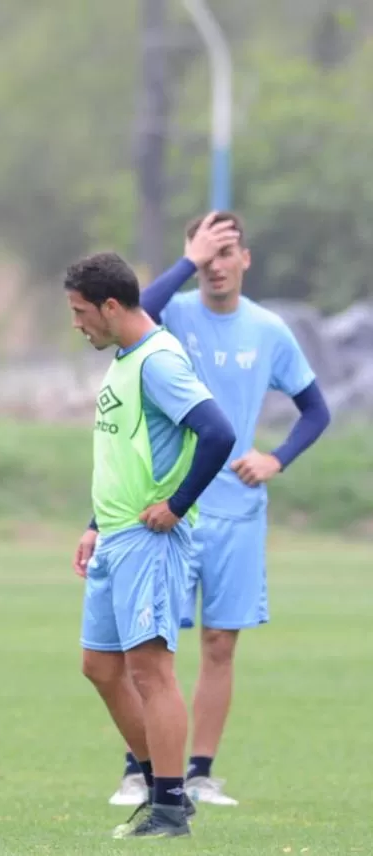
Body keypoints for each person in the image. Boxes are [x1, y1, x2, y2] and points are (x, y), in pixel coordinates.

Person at [106, 212, 331, 808]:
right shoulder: (173, 312)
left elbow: (316, 410)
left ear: (245, 259)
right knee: (150, 644)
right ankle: (143, 770)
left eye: (226, 251)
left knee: (219, 645)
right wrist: (184, 259)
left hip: (237, 512)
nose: (216, 264)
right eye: (207, 253)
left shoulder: (270, 330)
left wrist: (276, 459)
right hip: (170, 509)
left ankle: (201, 773)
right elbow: (130, 312)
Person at [68, 251, 236, 838]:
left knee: (151, 670)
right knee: (100, 667)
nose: (76, 322)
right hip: (114, 536)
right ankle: (158, 784)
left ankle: (168, 806)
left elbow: (218, 432)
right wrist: (95, 522)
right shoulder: (125, 358)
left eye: (80, 311)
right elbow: (127, 453)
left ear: (111, 307)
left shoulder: (159, 361)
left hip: (149, 539)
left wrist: (178, 505)